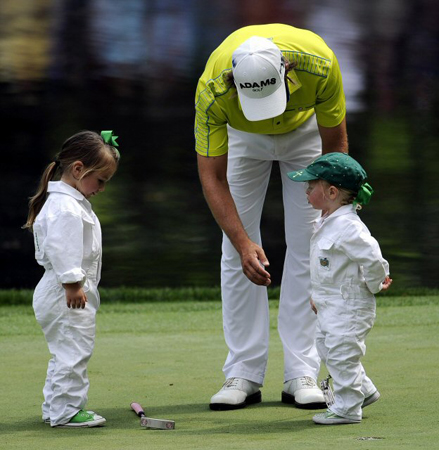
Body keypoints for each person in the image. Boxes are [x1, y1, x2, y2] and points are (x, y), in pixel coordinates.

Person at [195, 24, 348, 410]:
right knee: (237, 252)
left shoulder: (320, 63)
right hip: (243, 137)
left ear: (286, 67)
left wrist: (338, 213)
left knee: (311, 244)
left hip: (304, 133)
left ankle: (301, 371)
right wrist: (245, 242)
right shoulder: (212, 87)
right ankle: (243, 372)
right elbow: (212, 176)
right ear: (234, 82)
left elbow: (336, 147)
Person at [23, 130, 120, 427]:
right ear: (78, 170)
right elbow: (61, 247)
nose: (101, 188)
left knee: (65, 350)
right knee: (74, 350)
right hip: (66, 294)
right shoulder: (65, 207)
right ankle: (67, 410)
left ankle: (55, 406)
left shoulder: (67, 203)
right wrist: (73, 285)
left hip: (64, 291)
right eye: (100, 180)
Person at [287, 152, 392, 425]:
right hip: (330, 302)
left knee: (342, 351)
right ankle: (363, 390)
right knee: (325, 346)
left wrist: (375, 283)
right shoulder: (327, 221)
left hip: (350, 305)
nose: (306, 192)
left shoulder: (348, 227)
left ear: (332, 192)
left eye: (311, 187)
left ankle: (348, 408)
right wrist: (317, 296)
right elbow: (326, 267)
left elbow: (373, 259)